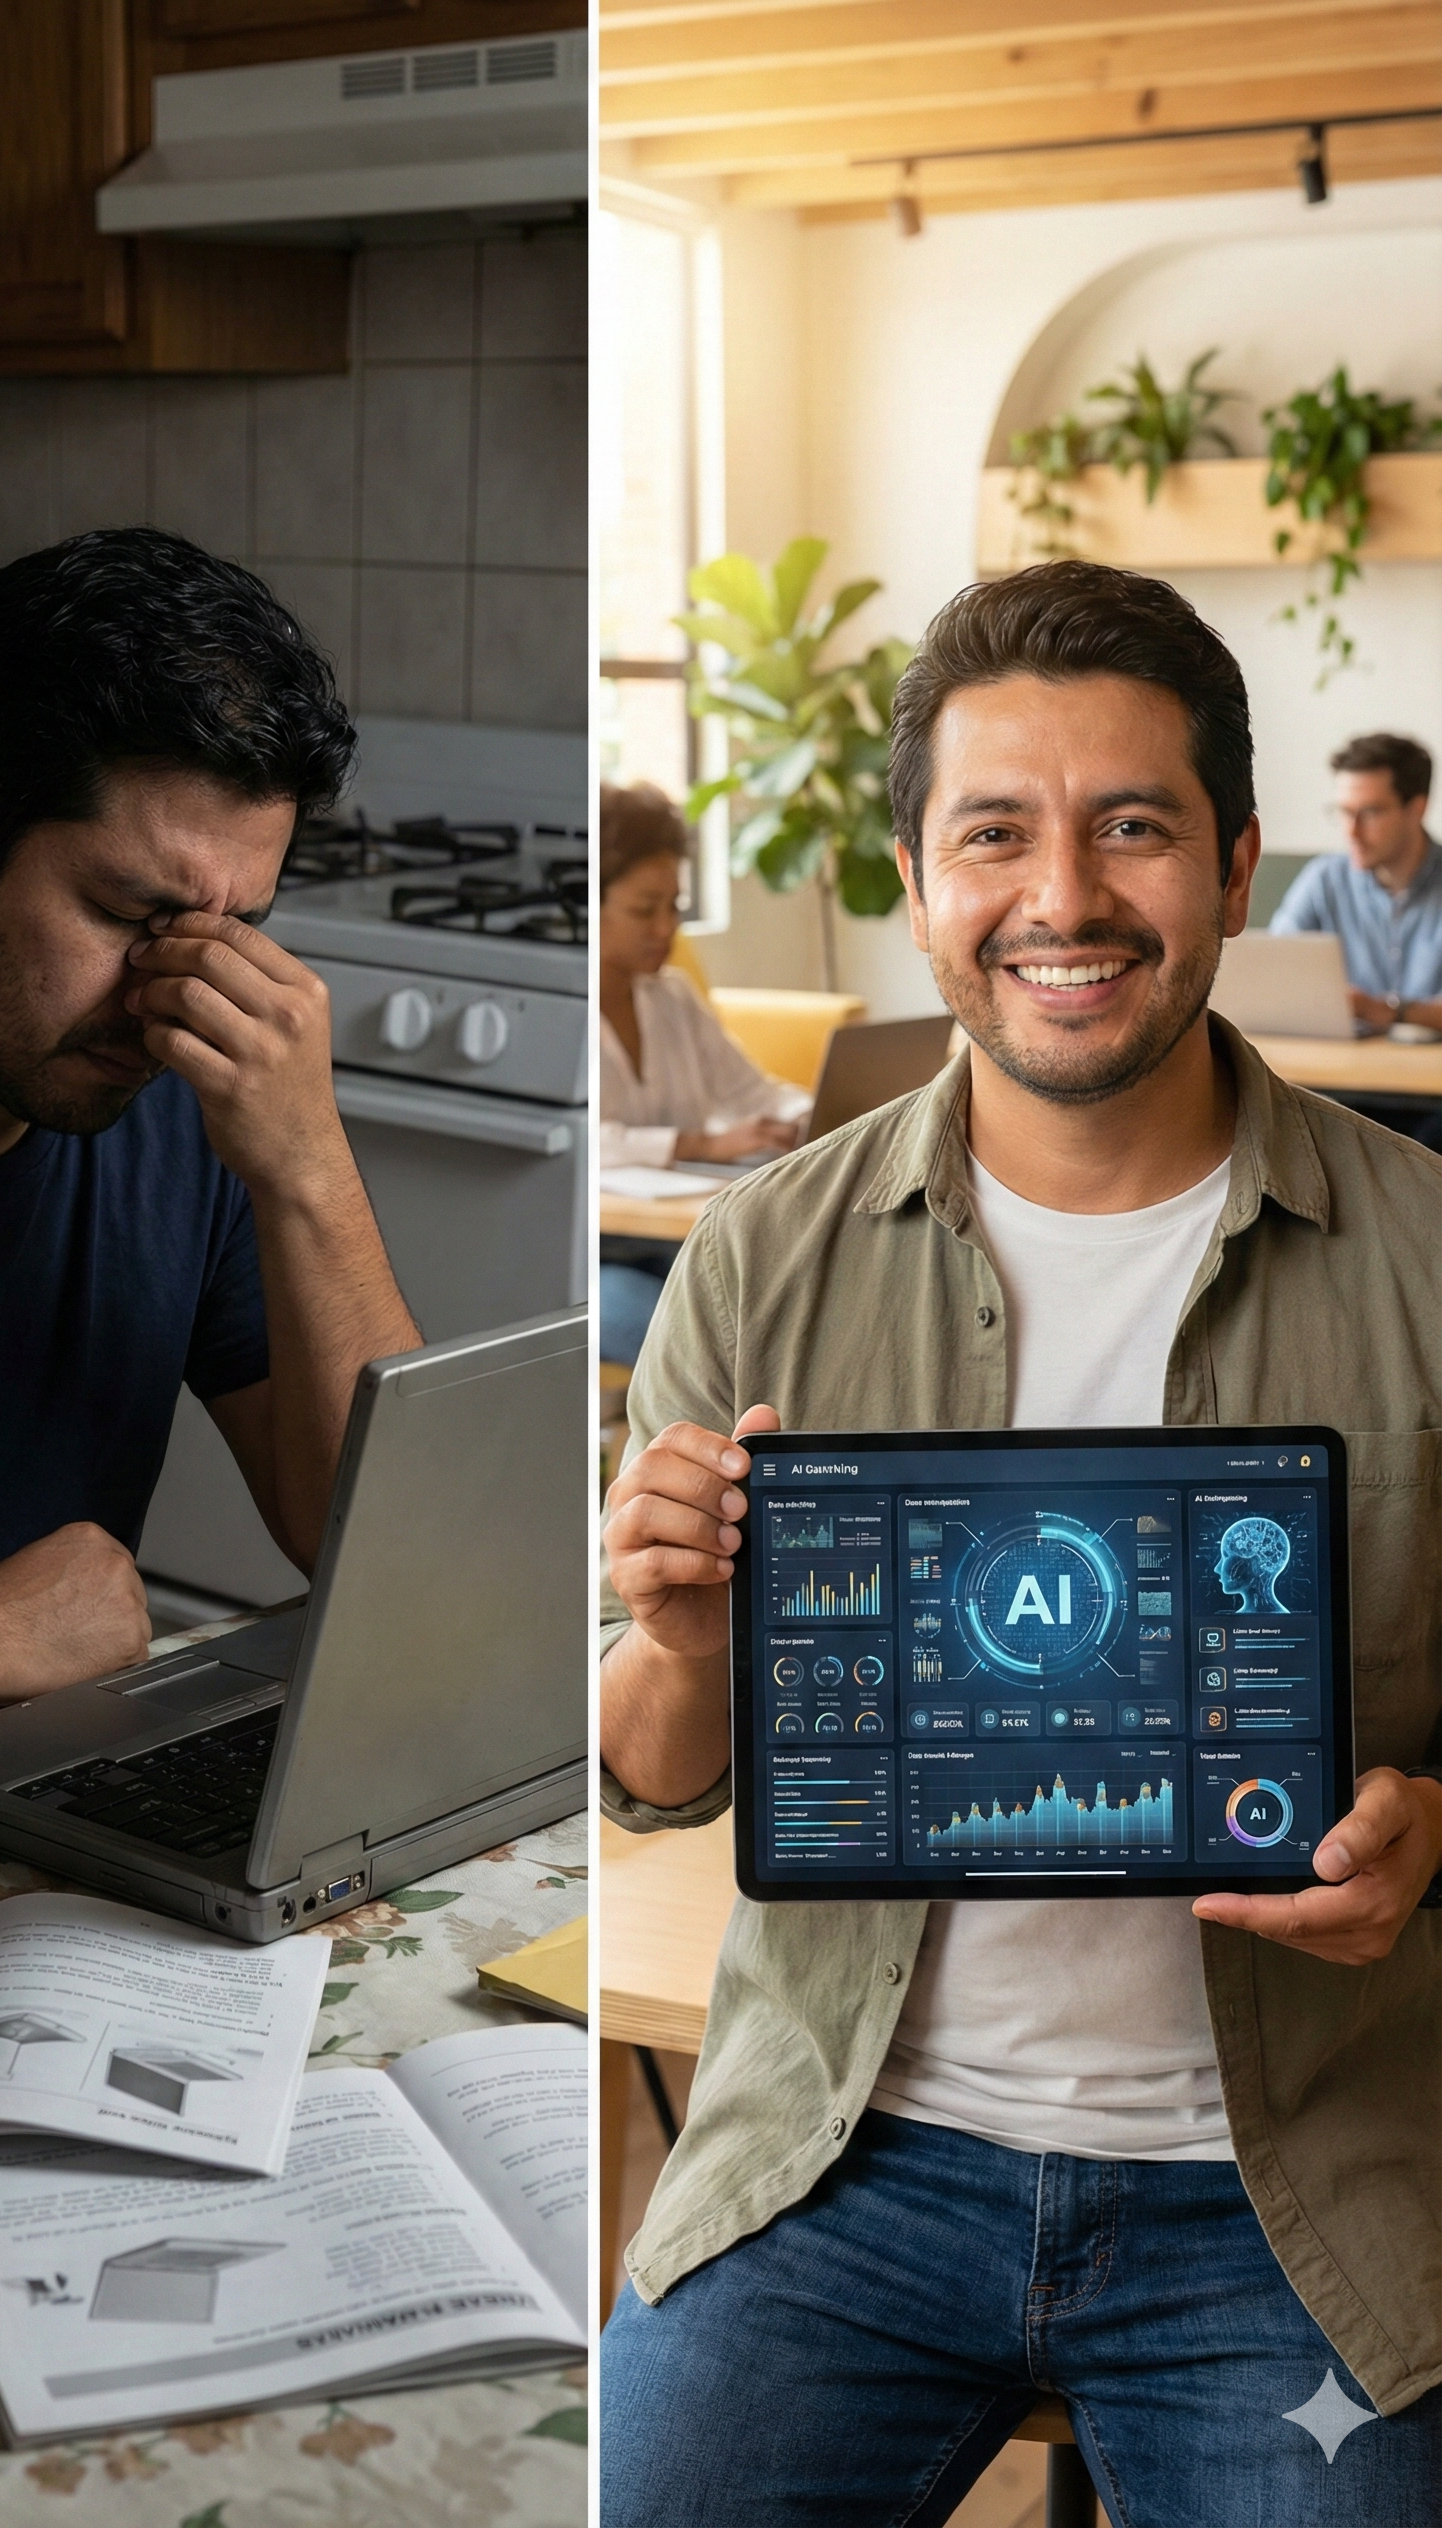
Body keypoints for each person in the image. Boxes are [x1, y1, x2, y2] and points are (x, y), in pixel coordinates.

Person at [600, 560, 1442, 2524]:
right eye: (994, 833)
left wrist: (1431, 1832)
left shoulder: (1426, 1260)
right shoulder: (760, 1259)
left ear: (1236, 865)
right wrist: (676, 1635)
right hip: (837, 2168)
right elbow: (655, 1775)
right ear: (917, 875)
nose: (1059, 899)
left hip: (1289, 2204)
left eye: (1130, 826)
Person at [0, 527, 418, 1792]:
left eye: (239, 931)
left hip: (11, 1830)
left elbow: (395, 1563)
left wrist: (309, 1168)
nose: (178, 993)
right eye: (123, 915)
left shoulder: (188, 1095)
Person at [600, 780, 808, 1364]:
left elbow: (750, 1088)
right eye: (645, 909)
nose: (665, 928)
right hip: (587, 1259)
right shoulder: (570, 1011)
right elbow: (591, 1146)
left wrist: (808, 1117)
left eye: (673, 906)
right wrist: (703, 1144)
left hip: (680, 1240)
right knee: (699, 1345)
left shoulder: (673, 997)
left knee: (779, 1310)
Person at [1270, 732, 1441, 1033]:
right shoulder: (1324, 880)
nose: (1351, 831)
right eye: (1345, 812)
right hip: (1336, 1070)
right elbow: (1271, 974)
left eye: (1370, 813)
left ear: (1417, 809)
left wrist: (1384, 1011)